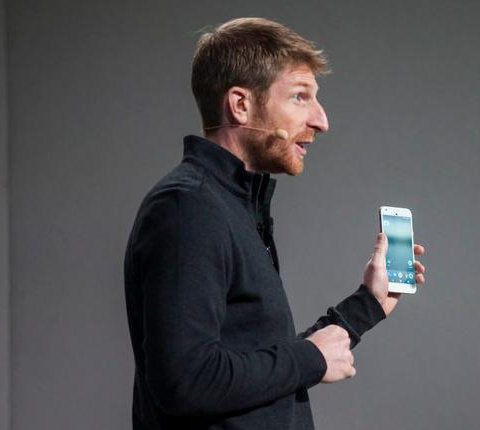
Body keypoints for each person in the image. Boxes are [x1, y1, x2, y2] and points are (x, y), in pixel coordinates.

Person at [123, 17, 426, 429]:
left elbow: (259, 363)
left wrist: (367, 306)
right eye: (300, 97)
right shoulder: (188, 207)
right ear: (240, 104)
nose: (321, 120)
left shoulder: (231, 205)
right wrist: (311, 359)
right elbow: (185, 381)